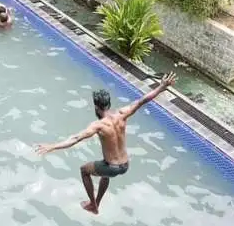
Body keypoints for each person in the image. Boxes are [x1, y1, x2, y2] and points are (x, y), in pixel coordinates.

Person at [36, 72, 177, 215]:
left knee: (84, 170)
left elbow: (76, 138)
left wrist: (53, 146)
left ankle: (92, 204)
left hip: (112, 167)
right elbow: (142, 101)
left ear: (97, 107)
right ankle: (97, 203)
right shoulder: (122, 114)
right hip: (125, 165)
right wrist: (162, 87)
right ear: (109, 104)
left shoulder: (99, 126)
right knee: (104, 169)